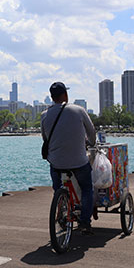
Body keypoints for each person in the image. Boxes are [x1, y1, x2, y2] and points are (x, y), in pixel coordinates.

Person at [41, 82, 96, 235]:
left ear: (52, 97)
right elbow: (91, 132)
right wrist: (91, 143)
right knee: (87, 188)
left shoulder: (45, 115)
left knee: (57, 187)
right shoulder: (79, 110)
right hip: (78, 161)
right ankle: (85, 221)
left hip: (56, 162)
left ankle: (61, 206)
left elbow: (45, 138)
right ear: (65, 94)